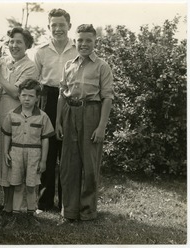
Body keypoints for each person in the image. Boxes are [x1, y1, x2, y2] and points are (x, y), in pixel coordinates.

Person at [56, 24, 114, 223]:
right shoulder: (68, 65)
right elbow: (62, 95)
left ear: (95, 41)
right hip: (70, 112)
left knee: (89, 165)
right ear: (75, 40)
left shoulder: (102, 66)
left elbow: (107, 97)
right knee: (68, 165)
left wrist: (101, 126)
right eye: (80, 40)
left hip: (92, 113)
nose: (84, 44)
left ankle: (87, 211)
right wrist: (59, 121)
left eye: (88, 40)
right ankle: (69, 211)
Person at [0, 27, 39, 217]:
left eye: (19, 42)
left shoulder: (29, 67)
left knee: (12, 157)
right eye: (11, 41)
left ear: (27, 45)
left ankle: (12, 206)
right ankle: (5, 202)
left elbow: (17, 92)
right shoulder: (4, 61)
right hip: (0, 113)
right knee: (2, 154)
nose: (14, 45)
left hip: (17, 117)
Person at [34, 8, 77, 214]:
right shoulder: (41, 51)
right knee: (47, 150)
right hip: (48, 99)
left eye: (62, 25)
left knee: (67, 152)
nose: (58, 29)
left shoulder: (78, 50)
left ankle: (65, 202)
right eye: (54, 25)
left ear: (69, 25)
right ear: (48, 27)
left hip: (71, 100)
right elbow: (34, 82)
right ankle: (44, 201)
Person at [1, 79, 55, 226]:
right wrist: (6, 152)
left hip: (34, 154)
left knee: (32, 186)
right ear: (19, 96)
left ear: (37, 98)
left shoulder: (43, 117)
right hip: (16, 152)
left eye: (31, 96)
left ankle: (32, 216)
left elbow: (45, 139)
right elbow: (7, 134)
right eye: (24, 95)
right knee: (17, 185)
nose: (27, 99)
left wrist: (43, 160)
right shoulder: (12, 115)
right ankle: (16, 216)